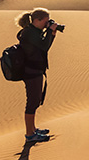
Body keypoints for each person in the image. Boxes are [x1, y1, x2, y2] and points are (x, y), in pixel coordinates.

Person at [16, 8, 62, 145]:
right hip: (31, 72)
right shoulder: (30, 33)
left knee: (34, 102)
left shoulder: (34, 31)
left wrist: (52, 33)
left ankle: (33, 129)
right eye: (46, 21)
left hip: (35, 70)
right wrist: (49, 32)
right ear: (37, 20)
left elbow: (44, 47)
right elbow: (43, 47)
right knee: (32, 102)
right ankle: (30, 134)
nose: (47, 24)